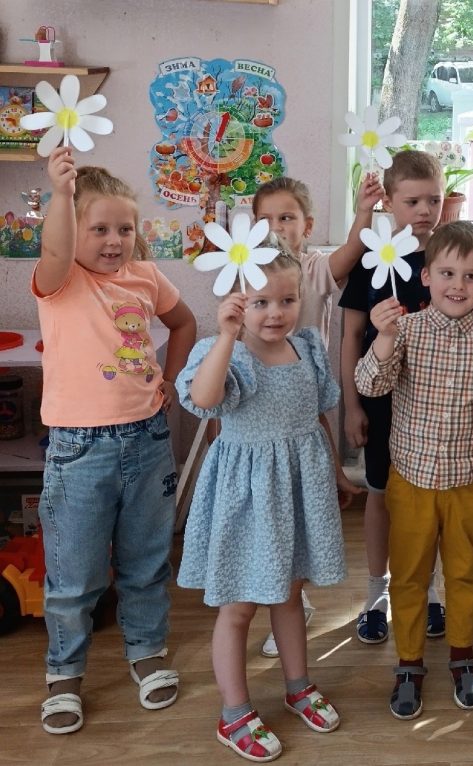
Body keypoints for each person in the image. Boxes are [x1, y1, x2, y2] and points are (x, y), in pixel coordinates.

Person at [33, 148, 197, 735]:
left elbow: (184, 323)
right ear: (73, 230)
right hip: (78, 451)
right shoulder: (61, 281)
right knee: (75, 576)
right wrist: (61, 194)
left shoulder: (145, 277)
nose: (114, 240)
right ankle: (64, 673)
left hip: (148, 440)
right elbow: (56, 248)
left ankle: (146, 651)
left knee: (146, 562)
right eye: (99, 228)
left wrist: (171, 379)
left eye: (125, 229)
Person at [177, 248, 349, 762]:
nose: (275, 313)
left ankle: (298, 685)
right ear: (237, 302)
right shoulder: (225, 353)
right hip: (246, 498)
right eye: (260, 302)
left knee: (290, 594)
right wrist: (226, 337)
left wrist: (336, 472)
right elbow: (204, 400)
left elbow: (318, 416)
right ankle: (234, 712)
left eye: (287, 300)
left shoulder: (308, 347)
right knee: (238, 606)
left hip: (297, 491)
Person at [355, 221, 473, 720]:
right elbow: (370, 384)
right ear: (426, 276)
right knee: (409, 575)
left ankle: (461, 655)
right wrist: (383, 338)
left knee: (464, 573)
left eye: (471, 276)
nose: (458, 285)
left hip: (469, 484)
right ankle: (409, 663)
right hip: (410, 481)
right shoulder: (405, 330)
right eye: (448, 273)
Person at [251, 175, 372, 658]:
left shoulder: (315, 267)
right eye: (265, 219)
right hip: (258, 400)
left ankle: (294, 598)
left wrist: (364, 210)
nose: (276, 226)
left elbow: (352, 251)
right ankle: (282, 599)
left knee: (301, 503)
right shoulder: (247, 268)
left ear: (307, 226)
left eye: (286, 217)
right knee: (270, 508)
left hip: (305, 394)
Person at [339, 150, 447, 645]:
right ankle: (376, 592)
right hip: (381, 403)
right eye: (413, 201)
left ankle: (431, 590)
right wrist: (352, 406)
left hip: (438, 406)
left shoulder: (448, 259)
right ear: (389, 202)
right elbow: (350, 336)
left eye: (434, 200)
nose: (425, 210)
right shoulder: (370, 260)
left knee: (434, 500)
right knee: (381, 494)